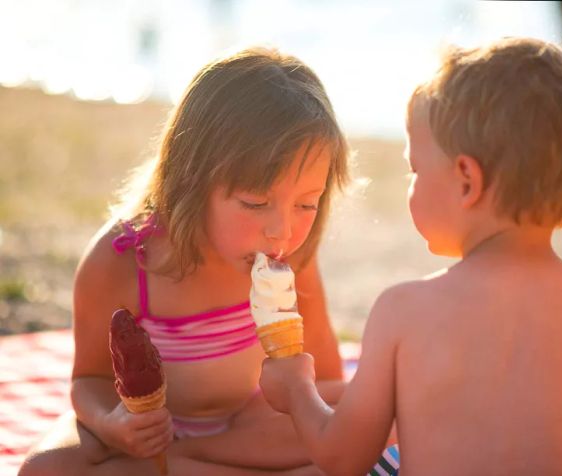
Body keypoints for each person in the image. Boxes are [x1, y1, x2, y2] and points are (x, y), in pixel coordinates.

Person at [260, 37, 562, 475]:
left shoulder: (404, 310)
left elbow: (341, 457)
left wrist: (297, 389)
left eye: (415, 169)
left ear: (467, 180)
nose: (411, 183)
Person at [20, 47, 350, 476]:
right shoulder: (121, 263)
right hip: (143, 434)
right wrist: (114, 423)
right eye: (255, 202)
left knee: (368, 419)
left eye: (307, 204)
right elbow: (90, 381)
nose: (282, 231)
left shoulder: (293, 257)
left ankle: (181, 465)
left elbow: (325, 380)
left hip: (246, 426)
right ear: (190, 181)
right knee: (45, 469)